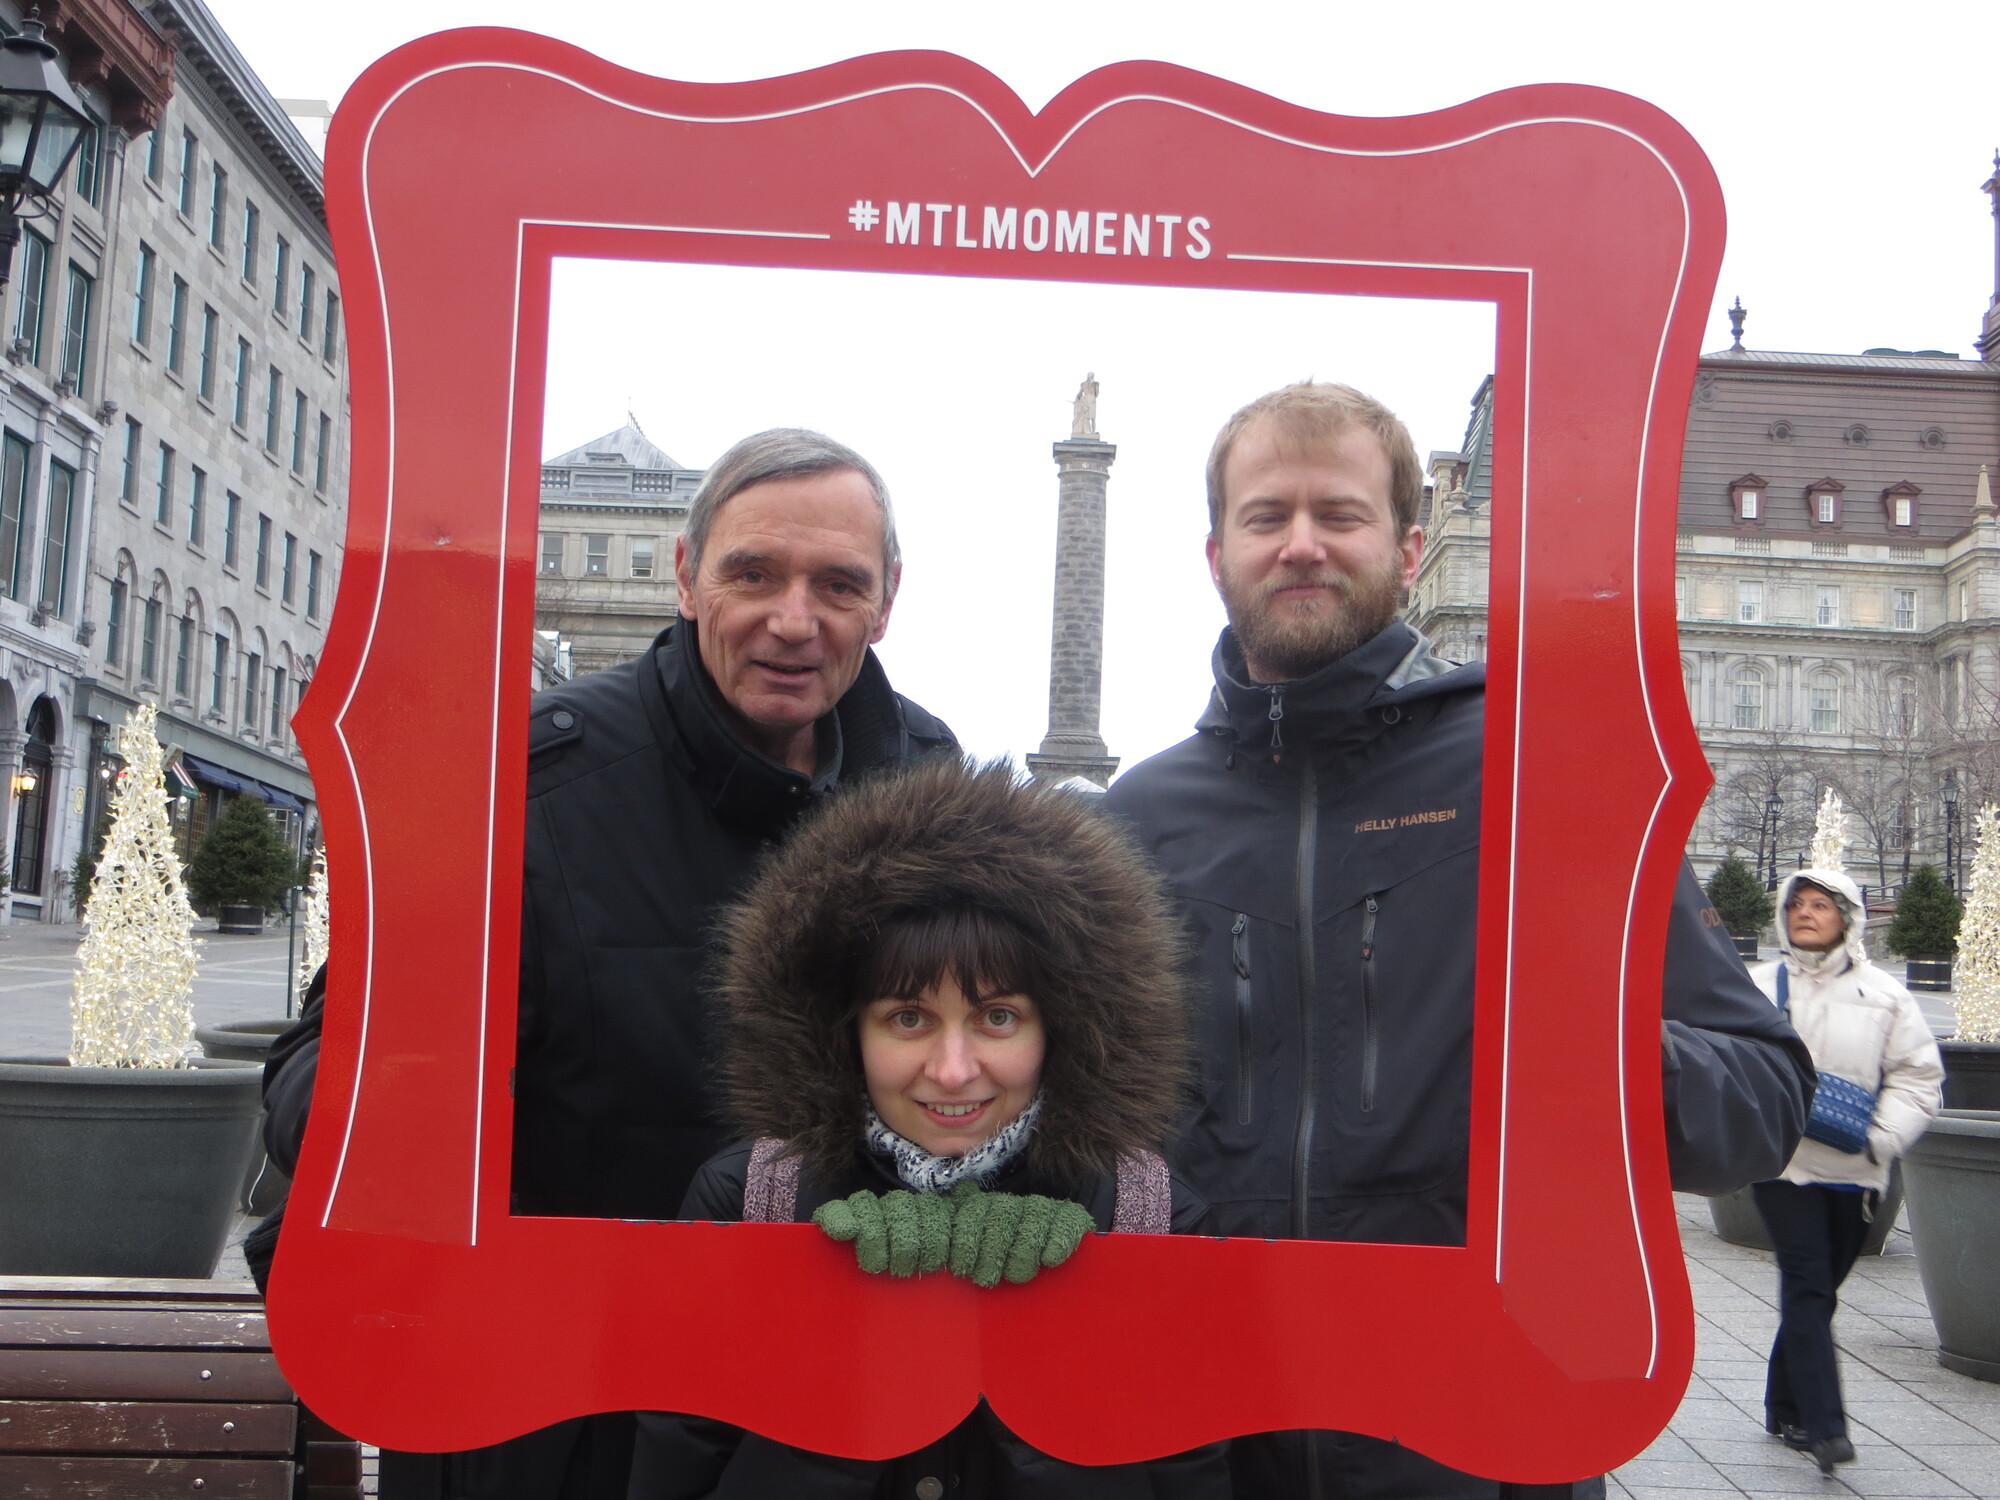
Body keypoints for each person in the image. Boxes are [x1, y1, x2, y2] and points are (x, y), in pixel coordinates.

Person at [1101, 382, 1818, 1500]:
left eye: (1339, 514)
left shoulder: (1539, 779)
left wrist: (1585, 1058)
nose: (1301, 544)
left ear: (1407, 550)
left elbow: (1762, 1099)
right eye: (1266, 516)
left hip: (1475, 1440)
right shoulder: (1135, 822)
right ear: (1215, 554)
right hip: (1205, 1441)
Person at [254, 428, 957, 1499]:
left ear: (886, 600)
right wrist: (404, 1116)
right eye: (753, 574)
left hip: (812, 1417)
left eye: (838, 584)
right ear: (685, 576)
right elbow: (318, 1070)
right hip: (552, 1414)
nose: (793, 620)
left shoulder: (929, 788)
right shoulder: (522, 786)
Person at [629, 756, 1229, 1499]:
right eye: (908, 1018)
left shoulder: (1150, 1220)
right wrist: (852, 1365)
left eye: (997, 1017)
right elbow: (675, 1472)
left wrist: (1037, 1350)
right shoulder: (750, 1204)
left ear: (1062, 1028)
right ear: (846, 1031)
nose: (952, 1070)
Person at [1748, 870, 1943, 1477]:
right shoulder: (1758, 987)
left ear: (1847, 917)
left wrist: (1882, 1140)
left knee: (1818, 1293)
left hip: (1857, 1171)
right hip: (1783, 1165)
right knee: (1807, 1284)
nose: (1806, 913)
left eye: (1821, 905)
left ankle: (1783, 1404)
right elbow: (1725, 1061)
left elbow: (1918, 1077)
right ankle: (1826, 1427)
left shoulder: (1884, 994)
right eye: (1797, 904)